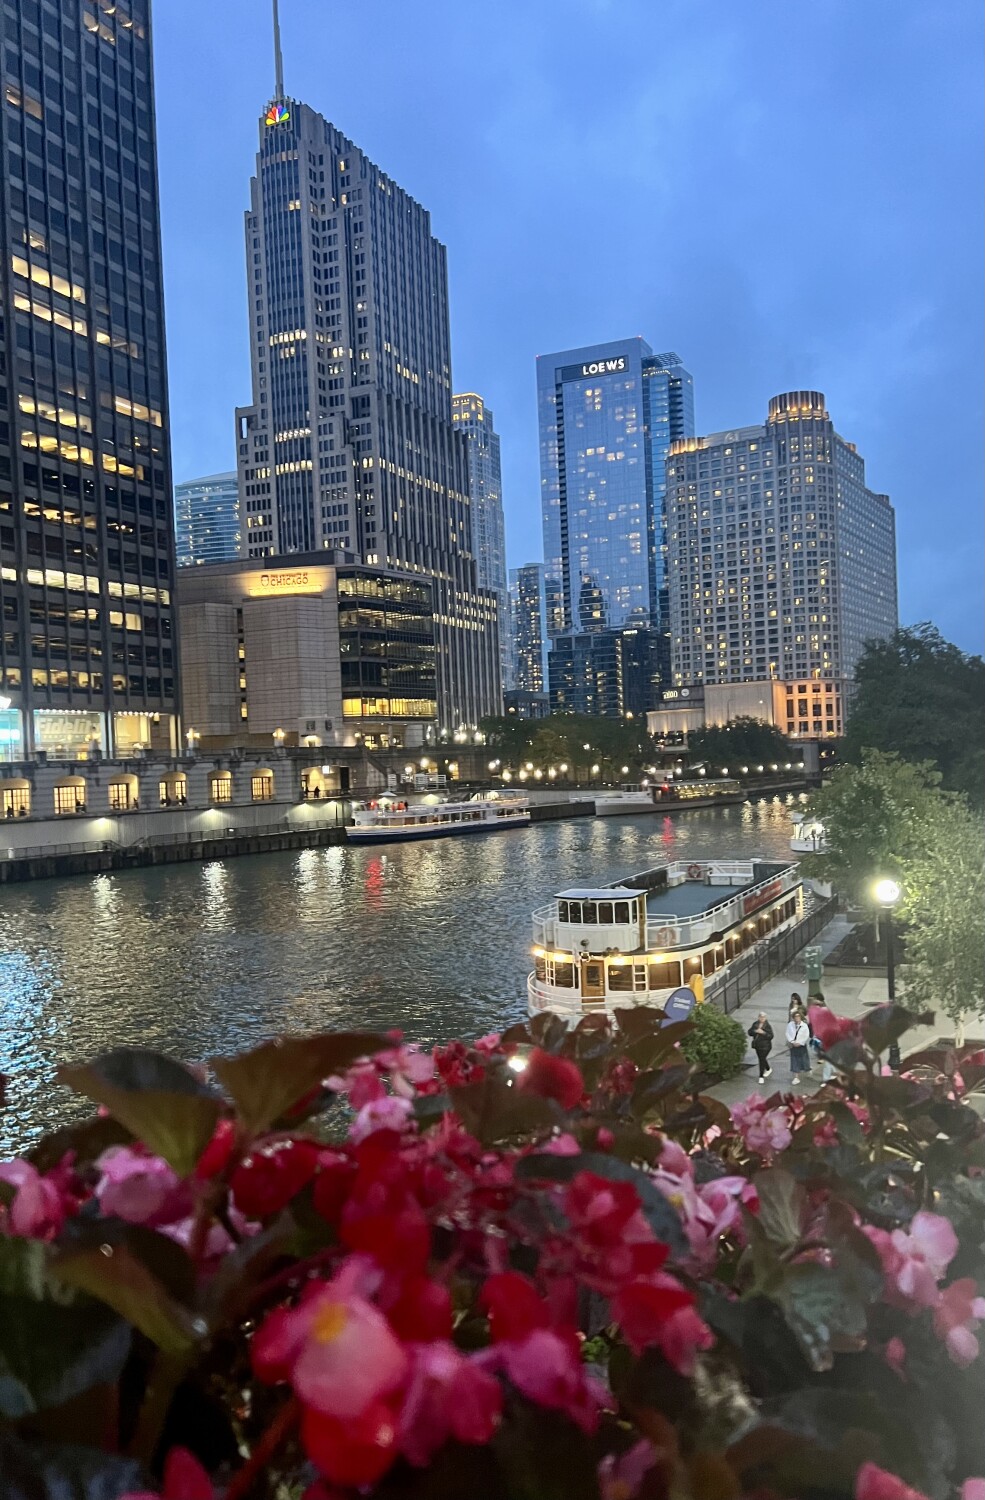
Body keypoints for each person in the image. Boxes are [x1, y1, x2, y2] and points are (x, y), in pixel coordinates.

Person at [786, 1008, 811, 1086]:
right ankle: (796, 1077)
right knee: (794, 1060)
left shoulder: (804, 1026)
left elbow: (806, 1035)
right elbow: (787, 1033)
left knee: (804, 1059)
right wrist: (792, 1042)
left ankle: (807, 1068)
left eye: (798, 1016)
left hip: (801, 1045)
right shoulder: (790, 1024)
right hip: (793, 1045)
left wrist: (801, 1043)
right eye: (795, 1017)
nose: (797, 1018)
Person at [748, 1012, 774, 1084]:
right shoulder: (755, 1024)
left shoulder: (767, 1026)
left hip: (766, 1046)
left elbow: (771, 1036)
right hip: (757, 1045)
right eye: (760, 1017)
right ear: (758, 1017)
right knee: (761, 1058)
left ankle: (761, 1076)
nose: (762, 1018)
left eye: (763, 1017)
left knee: (761, 1059)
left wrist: (763, 1033)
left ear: (765, 1018)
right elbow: (749, 1032)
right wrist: (755, 1031)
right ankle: (768, 1069)